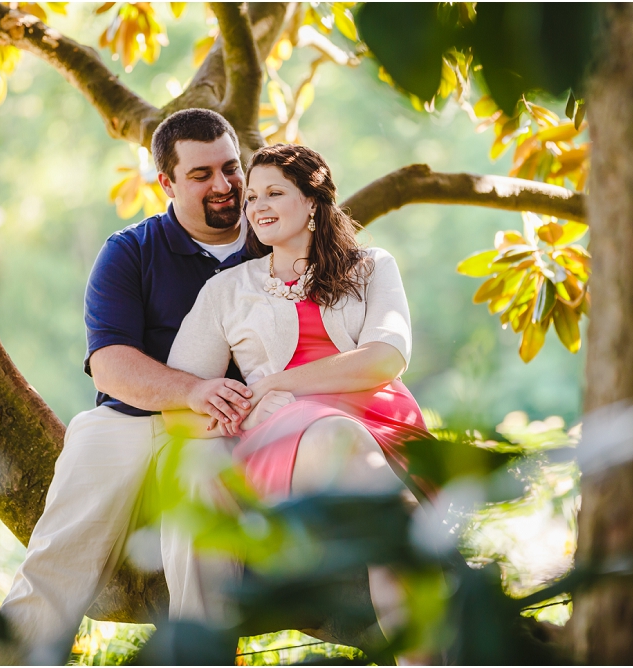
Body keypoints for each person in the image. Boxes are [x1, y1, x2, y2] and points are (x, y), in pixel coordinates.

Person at [0, 108, 257, 664]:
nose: (224, 186)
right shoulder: (130, 250)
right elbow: (110, 365)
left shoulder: (275, 242)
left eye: (231, 168)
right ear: (167, 183)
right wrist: (192, 390)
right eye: (201, 175)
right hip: (127, 420)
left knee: (203, 540)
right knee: (61, 549)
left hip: (224, 428)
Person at [161, 143, 434, 634]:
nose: (257, 206)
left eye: (274, 193)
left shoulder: (371, 266)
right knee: (348, 454)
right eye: (253, 197)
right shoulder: (227, 290)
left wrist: (277, 382)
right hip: (291, 442)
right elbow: (180, 405)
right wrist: (233, 408)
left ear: (312, 201)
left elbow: (385, 358)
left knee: (364, 469)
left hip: (384, 424)